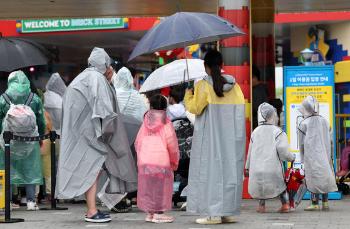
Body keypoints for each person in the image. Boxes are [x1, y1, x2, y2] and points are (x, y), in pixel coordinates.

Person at [56, 47, 137, 223]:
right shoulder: (97, 79)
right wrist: (108, 135)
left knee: (90, 170)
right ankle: (92, 211)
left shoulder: (81, 77)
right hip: (92, 136)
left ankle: (92, 208)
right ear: (105, 64)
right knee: (93, 169)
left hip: (79, 134)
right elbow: (105, 112)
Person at [184, 50, 246, 225]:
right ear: (222, 65)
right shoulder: (235, 86)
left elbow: (195, 108)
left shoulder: (204, 85)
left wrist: (188, 94)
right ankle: (227, 211)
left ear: (206, 67)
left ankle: (213, 214)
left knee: (211, 172)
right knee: (229, 172)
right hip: (231, 139)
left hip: (212, 138)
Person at [0, 70, 45, 210]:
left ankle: (7, 201)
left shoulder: (3, 98)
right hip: (29, 140)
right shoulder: (34, 98)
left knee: (7, 168)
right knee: (30, 168)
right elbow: (41, 120)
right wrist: (41, 136)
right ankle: (31, 201)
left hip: (7, 141)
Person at [135, 94, 179, 223]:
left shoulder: (145, 121)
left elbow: (138, 141)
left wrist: (141, 157)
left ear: (151, 106)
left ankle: (150, 213)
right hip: (160, 159)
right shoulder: (166, 122)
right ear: (165, 107)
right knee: (161, 187)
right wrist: (174, 161)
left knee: (148, 186)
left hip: (145, 160)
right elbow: (172, 145)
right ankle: (159, 213)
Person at [245, 103, 295, 213]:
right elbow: (284, 152)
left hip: (256, 169)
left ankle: (261, 206)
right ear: (273, 116)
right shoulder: (277, 132)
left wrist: (247, 167)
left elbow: (250, 152)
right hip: (273, 168)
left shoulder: (255, 132)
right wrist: (291, 158)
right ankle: (285, 204)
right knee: (281, 186)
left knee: (260, 187)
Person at [297, 96, 338, 211]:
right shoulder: (325, 121)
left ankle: (314, 203)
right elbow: (330, 140)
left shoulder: (303, 123)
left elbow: (301, 144)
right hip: (325, 154)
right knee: (324, 176)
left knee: (313, 177)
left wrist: (302, 158)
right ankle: (325, 203)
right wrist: (330, 153)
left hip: (311, 156)